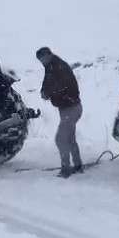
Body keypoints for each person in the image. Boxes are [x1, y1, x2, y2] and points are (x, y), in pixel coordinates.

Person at [36, 47, 83, 177]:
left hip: (72, 109)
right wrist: (44, 91)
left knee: (60, 139)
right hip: (68, 108)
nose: (42, 62)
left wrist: (49, 93)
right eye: (40, 60)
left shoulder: (59, 67)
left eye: (42, 59)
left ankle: (66, 169)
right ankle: (78, 165)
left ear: (48, 55)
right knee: (69, 138)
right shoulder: (51, 66)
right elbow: (48, 83)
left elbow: (63, 86)